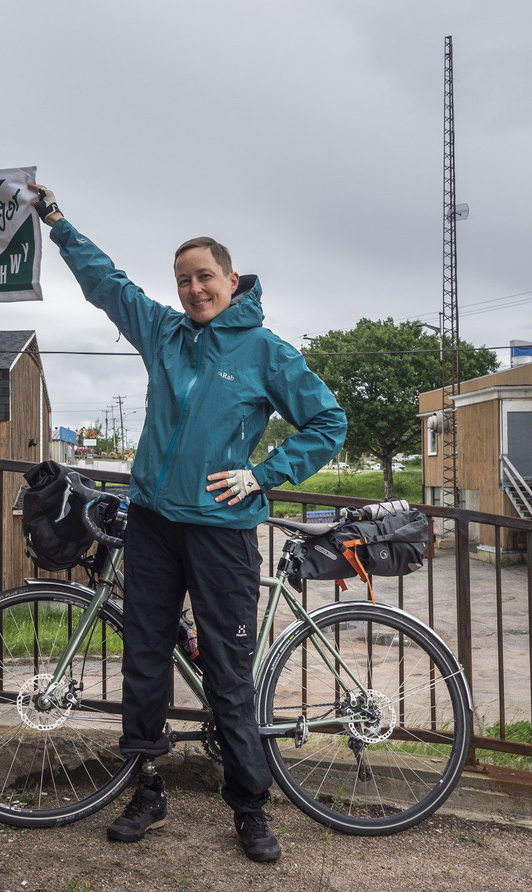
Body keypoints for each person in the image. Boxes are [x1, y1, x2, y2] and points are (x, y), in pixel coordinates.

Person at [29, 184, 347, 863]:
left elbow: (328, 421)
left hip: (222, 533)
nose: (193, 289)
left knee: (228, 674)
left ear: (232, 281)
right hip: (151, 522)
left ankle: (250, 807)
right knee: (143, 663)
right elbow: (105, 283)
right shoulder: (164, 332)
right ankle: (146, 788)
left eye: (204, 277)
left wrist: (263, 474)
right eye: (183, 280)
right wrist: (56, 221)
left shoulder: (264, 351)